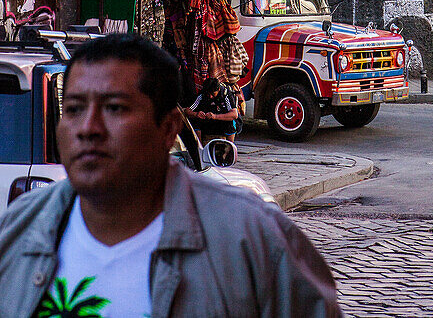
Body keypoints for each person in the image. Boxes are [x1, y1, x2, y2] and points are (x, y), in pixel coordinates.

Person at [0, 33, 341, 317]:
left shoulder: (252, 240)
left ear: (168, 128)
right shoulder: (22, 229)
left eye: (114, 109)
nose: (88, 128)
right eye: (73, 109)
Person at [185, 75, 239, 143]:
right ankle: (199, 147)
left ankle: (230, 147)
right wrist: (196, 114)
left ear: (218, 89)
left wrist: (215, 116)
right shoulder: (202, 95)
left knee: (231, 122)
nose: (210, 96)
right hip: (208, 122)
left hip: (221, 121)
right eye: (208, 94)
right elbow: (187, 111)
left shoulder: (225, 94)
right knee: (194, 121)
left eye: (213, 94)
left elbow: (234, 114)